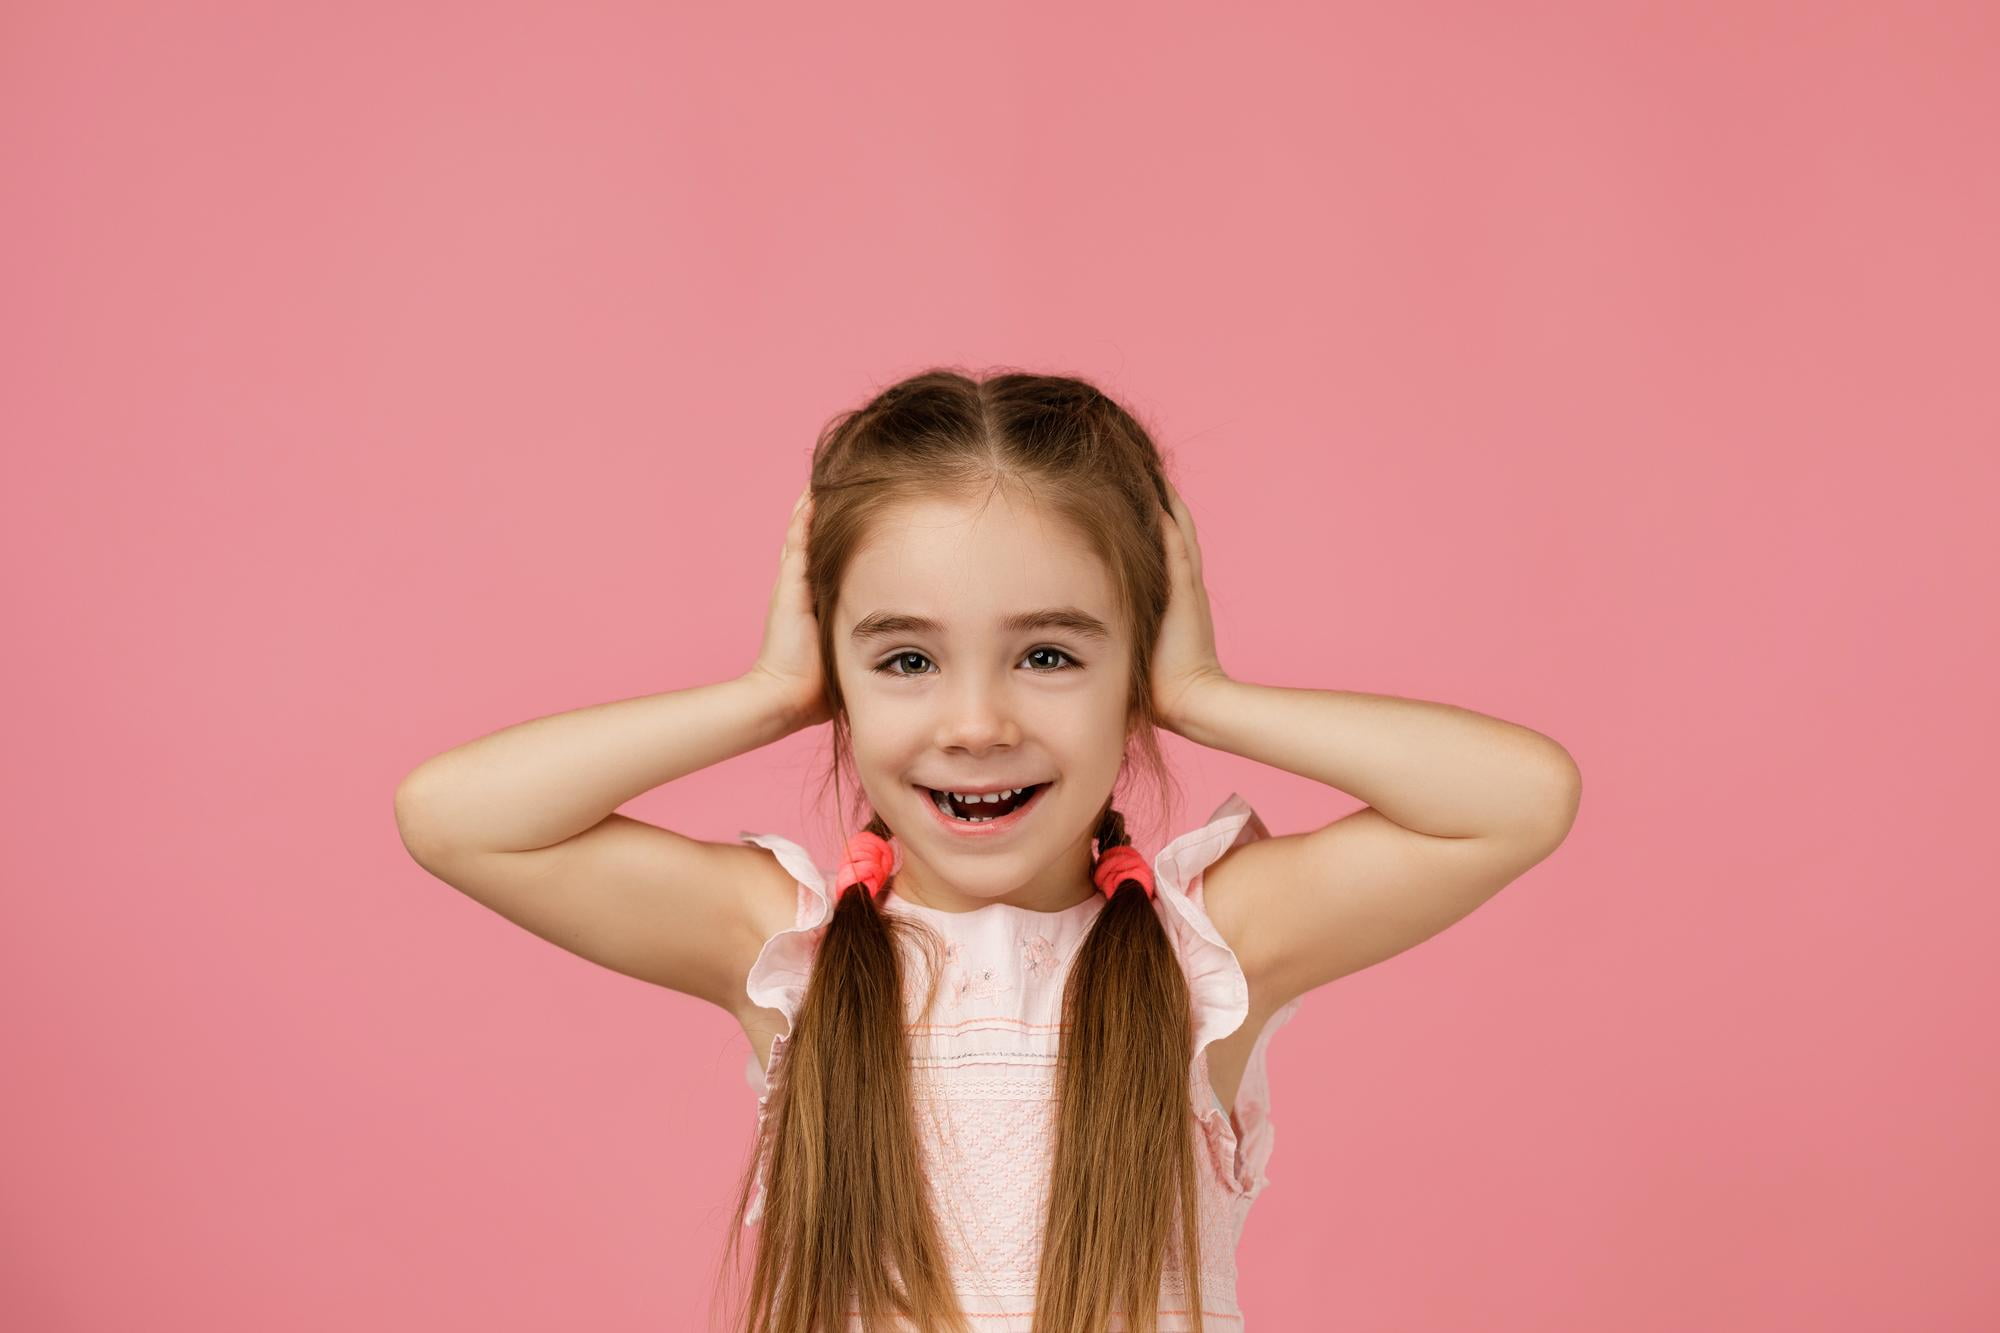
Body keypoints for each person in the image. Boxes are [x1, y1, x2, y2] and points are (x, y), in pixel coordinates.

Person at [393, 369, 1583, 1333]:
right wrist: (765, 693)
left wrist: (1207, 694)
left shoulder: (1208, 953)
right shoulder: (786, 950)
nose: (975, 723)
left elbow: (1517, 796)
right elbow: (457, 816)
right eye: (905, 659)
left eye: (1050, 655)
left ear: (1135, 675)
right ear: (837, 680)